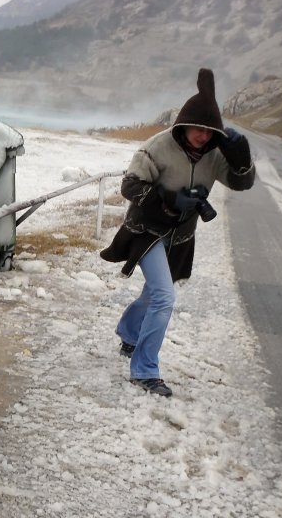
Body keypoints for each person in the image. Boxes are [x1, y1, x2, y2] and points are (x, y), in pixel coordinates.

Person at [100, 68, 256, 397]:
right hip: (146, 231)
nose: (202, 135)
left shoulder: (215, 155)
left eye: (208, 130)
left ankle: (129, 332)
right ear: (184, 124)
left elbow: (242, 182)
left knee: (154, 293)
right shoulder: (157, 146)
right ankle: (144, 370)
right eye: (196, 128)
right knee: (164, 298)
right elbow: (129, 186)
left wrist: (243, 160)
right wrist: (169, 198)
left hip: (181, 237)